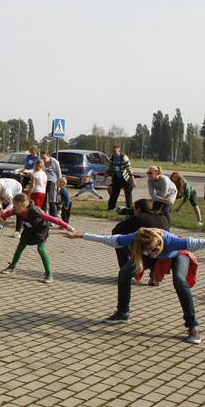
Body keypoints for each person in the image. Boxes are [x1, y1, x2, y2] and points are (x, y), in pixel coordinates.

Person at [64, 228, 205, 344]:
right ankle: (122, 313)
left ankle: (192, 325)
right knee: (124, 273)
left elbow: (199, 242)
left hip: (176, 255)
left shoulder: (172, 241)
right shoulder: (133, 239)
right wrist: (78, 236)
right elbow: (106, 239)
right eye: (151, 250)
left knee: (179, 280)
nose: (156, 250)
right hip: (148, 257)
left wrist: (157, 250)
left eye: (157, 246)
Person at [0, 193, 74, 283]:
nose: (13, 208)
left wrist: (68, 226)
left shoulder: (35, 211)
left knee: (41, 250)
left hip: (41, 230)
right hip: (28, 230)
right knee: (20, 247)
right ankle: (12, 267)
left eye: (14, 206)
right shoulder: (17, 210)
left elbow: (53, 219)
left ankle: (49, 274)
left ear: (20, 205)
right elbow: (7, 214)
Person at [111, 198, 169, 270]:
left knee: (118, 241)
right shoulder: (163, 217)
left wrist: (127, 219)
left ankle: (124, 269)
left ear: (138, 210)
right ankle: (154, 273)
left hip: (146, 255)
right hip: (163, 253)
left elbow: (115, 231)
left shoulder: (137, 218)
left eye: (134, 209)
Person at [107, 146, 134, 211]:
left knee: (128, 193)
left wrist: (132, 179)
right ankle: (111, 208)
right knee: (114, 193)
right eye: (112, 151)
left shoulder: (124, 157)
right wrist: (107, 173)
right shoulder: (111, 158)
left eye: (115, 151)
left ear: (119, 151)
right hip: (117, 178)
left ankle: (129, 208)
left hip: (126, 178)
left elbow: (128, 168)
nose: (113, 152)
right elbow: (110, 167)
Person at [42, 152, 63, 217]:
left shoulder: (55, 162)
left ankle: (53, 217)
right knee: (44, 200)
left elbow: (59, 173)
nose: (43, 159)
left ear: (49, 156)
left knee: (52, 200)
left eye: (44, 157)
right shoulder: (41, 162)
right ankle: (44, 216)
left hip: (53, 182)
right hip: (44, 182)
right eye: (41, 157)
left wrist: (59, 184)